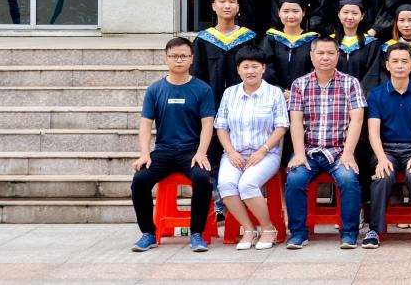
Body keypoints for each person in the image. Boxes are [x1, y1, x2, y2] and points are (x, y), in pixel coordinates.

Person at [130, 37, 215, 253]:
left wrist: (201, 153)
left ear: (192, 59)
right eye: (174, 56)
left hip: (191, 152)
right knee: (140, 180)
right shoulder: (155, 89)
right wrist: (144, 153)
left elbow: (208, 124)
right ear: (166, 58)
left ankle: (196, 233)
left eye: (183, 56)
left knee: (202, 179)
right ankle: (148, 233)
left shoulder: (202, 89)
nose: (179, 60)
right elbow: (146, 124)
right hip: (164, 152)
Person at [284, 35, 366, 250]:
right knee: (294, 179)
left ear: (338, 56)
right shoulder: (299, 84)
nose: (325, 57)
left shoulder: (350, 83)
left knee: (349, 179)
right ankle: (298, 233)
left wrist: (348, 154)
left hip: (339, 150)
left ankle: (349, 233)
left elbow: (357, 120)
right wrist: (299, 154)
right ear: (311, 56)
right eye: (320, 53)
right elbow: (295, 121)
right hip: (308, 150)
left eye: (330, 53)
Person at [362, 42, 411, 250]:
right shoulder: (376, 94)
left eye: (404, 61)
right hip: (386, 149)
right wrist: (381, 158)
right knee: (383, 177)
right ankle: (374, 230)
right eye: (395, 61)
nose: (399, 65)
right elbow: (373, 132)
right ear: (387, 65)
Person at [214, 45, 289, 250]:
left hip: (266, 153)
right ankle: (248, 229)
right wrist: (231, 152)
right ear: (238, 70)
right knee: (226, 184)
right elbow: (221, 127)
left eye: (255, 66)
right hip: (235, 153)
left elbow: (281, 127)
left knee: (247, 185)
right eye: (245, 66)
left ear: (263, 68)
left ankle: (268, 229)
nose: (250, 71)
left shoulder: (274, 93)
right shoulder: (230, 93)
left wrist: (262, 150)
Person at [192, 0, 258, 108]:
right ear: (214, 6)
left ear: (238, 7)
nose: (227, 6)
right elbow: (197, 73)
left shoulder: (248, 38)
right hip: (210, 104)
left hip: (244, 104)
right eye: (222, 1)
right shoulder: (203, 40)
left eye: (232, 2)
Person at [260, 0, 319, 94]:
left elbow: (316, 69)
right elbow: (265, 67)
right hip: (275, 95)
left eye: (295, 11)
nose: (290, 16)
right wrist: (280, 91)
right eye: (285, 11)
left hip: (305, 95)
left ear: (303, 12)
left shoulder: (313, 40)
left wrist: (298, 92)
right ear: (279, 13)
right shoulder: (271, 39)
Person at [330, 0, 382, 94]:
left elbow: (372, 75)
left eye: (355, 13)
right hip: (332, 97)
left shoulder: (371, 44)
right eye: (345, 12)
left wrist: (357, 96)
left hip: (361, 98)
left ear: (362, 16)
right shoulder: (329, 43)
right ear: (339, 14)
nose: (350, 17)